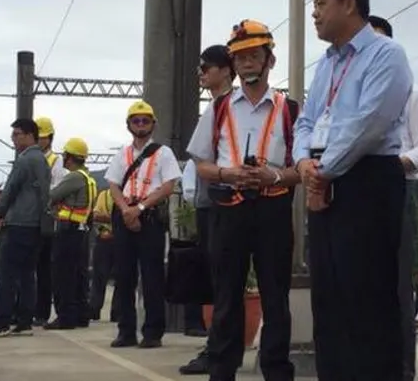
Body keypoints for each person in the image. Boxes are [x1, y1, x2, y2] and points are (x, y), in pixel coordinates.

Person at [292, 0, 414, 381]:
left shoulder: (386, 55)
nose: (315, 14)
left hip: (367, 180)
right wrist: (304, 165)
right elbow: (305, 123)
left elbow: (369, 123)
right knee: (329, 299)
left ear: (349, 4)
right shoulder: (325, 66)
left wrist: (322, 172)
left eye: (321, 3)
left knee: (368, 299)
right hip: (324, 180)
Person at [188, 20, 300, 381]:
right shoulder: (219, 108)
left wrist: (275, 176)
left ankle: (277, 371)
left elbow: (304, 167)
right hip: (228, 208)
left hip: (273, 208)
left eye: (254, 55)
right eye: (240, 57)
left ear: (270, 59)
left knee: (275, 296)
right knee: (226, 297)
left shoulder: (289, 109)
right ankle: (222, 371)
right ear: (234, 65)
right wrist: (228, 174)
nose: (247, 62)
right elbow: (201, 164)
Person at [368, 14, 418, 381]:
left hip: (396, 191)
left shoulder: (411, 94)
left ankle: (400, 371)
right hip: (354, 197)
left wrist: (395, 165)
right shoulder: (349, 93)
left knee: (396, 288)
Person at [105, 100, 182, 348]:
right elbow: (114, 185)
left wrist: (139, 209)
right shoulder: (122, 154)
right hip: (125, 214)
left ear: (153, 124)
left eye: (145, 120)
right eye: (136, 120)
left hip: (150, 217)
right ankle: (125, 331)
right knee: (124, 276)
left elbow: (168, 186)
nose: (141, 125)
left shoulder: (164, 153)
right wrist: (126, 210)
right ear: (129, 125)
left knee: (152, 276)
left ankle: (152, 332)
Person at [180, 44, 236, 376]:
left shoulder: (229, 107)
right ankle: (216, 348)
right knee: (216, 280)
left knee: (224, 280)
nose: (202, 73)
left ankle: (218, 351)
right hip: (207, 201)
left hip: (224, 201)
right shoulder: (213, 107)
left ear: (225, 70)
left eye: (206, 67)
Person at [0, 117, 52, 338]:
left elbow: (10, 189)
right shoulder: (42, 160)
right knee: (28, 274)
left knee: (7, 274)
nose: (13, 139)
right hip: (37, 224)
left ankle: (1, 320)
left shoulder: (25, 159)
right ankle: (24, 321)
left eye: (17, 134)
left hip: (19, 222)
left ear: (30, 135)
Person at [46, 137, 97, 330]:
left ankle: (65, 316)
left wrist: (53, 201)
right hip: (82, 231)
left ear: (69, 157)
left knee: (63, 274)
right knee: (79, 275)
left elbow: (52, 195)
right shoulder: (89, 178)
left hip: (68, 230)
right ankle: (81, 315)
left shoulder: (74, 177)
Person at [34, 116, 63, 326]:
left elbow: (56, 187)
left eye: (42, 137)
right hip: (29, 217)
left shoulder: (56, 160)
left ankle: (41, 312)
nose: (39, 141)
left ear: (50, 138)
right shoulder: (27, 157)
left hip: (45, 219)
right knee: (29, 268)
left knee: (44, 269)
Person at [89, 187, 120, 322]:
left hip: (122, 241)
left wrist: (109, 218)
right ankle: (94, 310)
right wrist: (117, 219)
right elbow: (96, 215)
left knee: (122, 279)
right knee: (99, 277)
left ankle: (117, 312)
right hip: (105, 238)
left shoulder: (130, 195)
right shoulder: (105, 195)